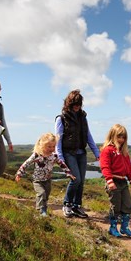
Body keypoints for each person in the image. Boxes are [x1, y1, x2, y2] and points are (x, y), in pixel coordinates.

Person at [55, 89, 100, 218]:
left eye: (79, 104)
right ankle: (67, 204)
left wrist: (96, 152)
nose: (77, 106)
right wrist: (60, 158)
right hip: (68, 153)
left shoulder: (83, 117)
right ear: (68, 103)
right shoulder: (61, 119)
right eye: (74, 103)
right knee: (75, 179)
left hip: (82, 153)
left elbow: (88, 135)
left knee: (81, 181)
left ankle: (76, 206)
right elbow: (58, 140)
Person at [15, 133, 75, 216]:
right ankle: (40, 211)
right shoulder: (37, 155)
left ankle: (44, 210)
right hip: (37, 180)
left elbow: (62, 164)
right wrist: (19, 174)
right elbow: (26, 163)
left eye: (53, 146)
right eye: (49, 146)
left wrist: (68, 173)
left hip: (47, 180)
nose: (51, 149)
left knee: (46, 196)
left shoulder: (54, 156)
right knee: (41, 193)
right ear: (42, 145)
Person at [100, 124, 131, 237]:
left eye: (123, 137)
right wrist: (109, 181)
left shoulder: (124, 152)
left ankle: (124, 228)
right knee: (116, 206)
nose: (121, 139)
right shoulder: (108, 150)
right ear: (112, 135)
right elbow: (105, 167)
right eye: (119, 136)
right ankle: (113, 227)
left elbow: (129, 167)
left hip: (123, 182)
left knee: (128, 204)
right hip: (113, 181)